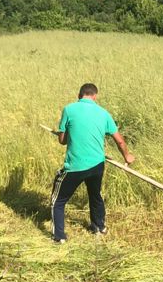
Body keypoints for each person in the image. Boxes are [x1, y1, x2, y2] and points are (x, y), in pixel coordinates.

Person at [51, 83, 135, 244]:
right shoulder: (103, 113)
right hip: (97, 165)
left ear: (79, 95)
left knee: (58, 200)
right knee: (95, 194)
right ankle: (99, 227)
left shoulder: (69, 109)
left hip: (75, 166)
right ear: (95, 96)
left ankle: (59, 237)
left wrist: (68, 134)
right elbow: (120, 141)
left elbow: (62, 140)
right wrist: (127, 157)